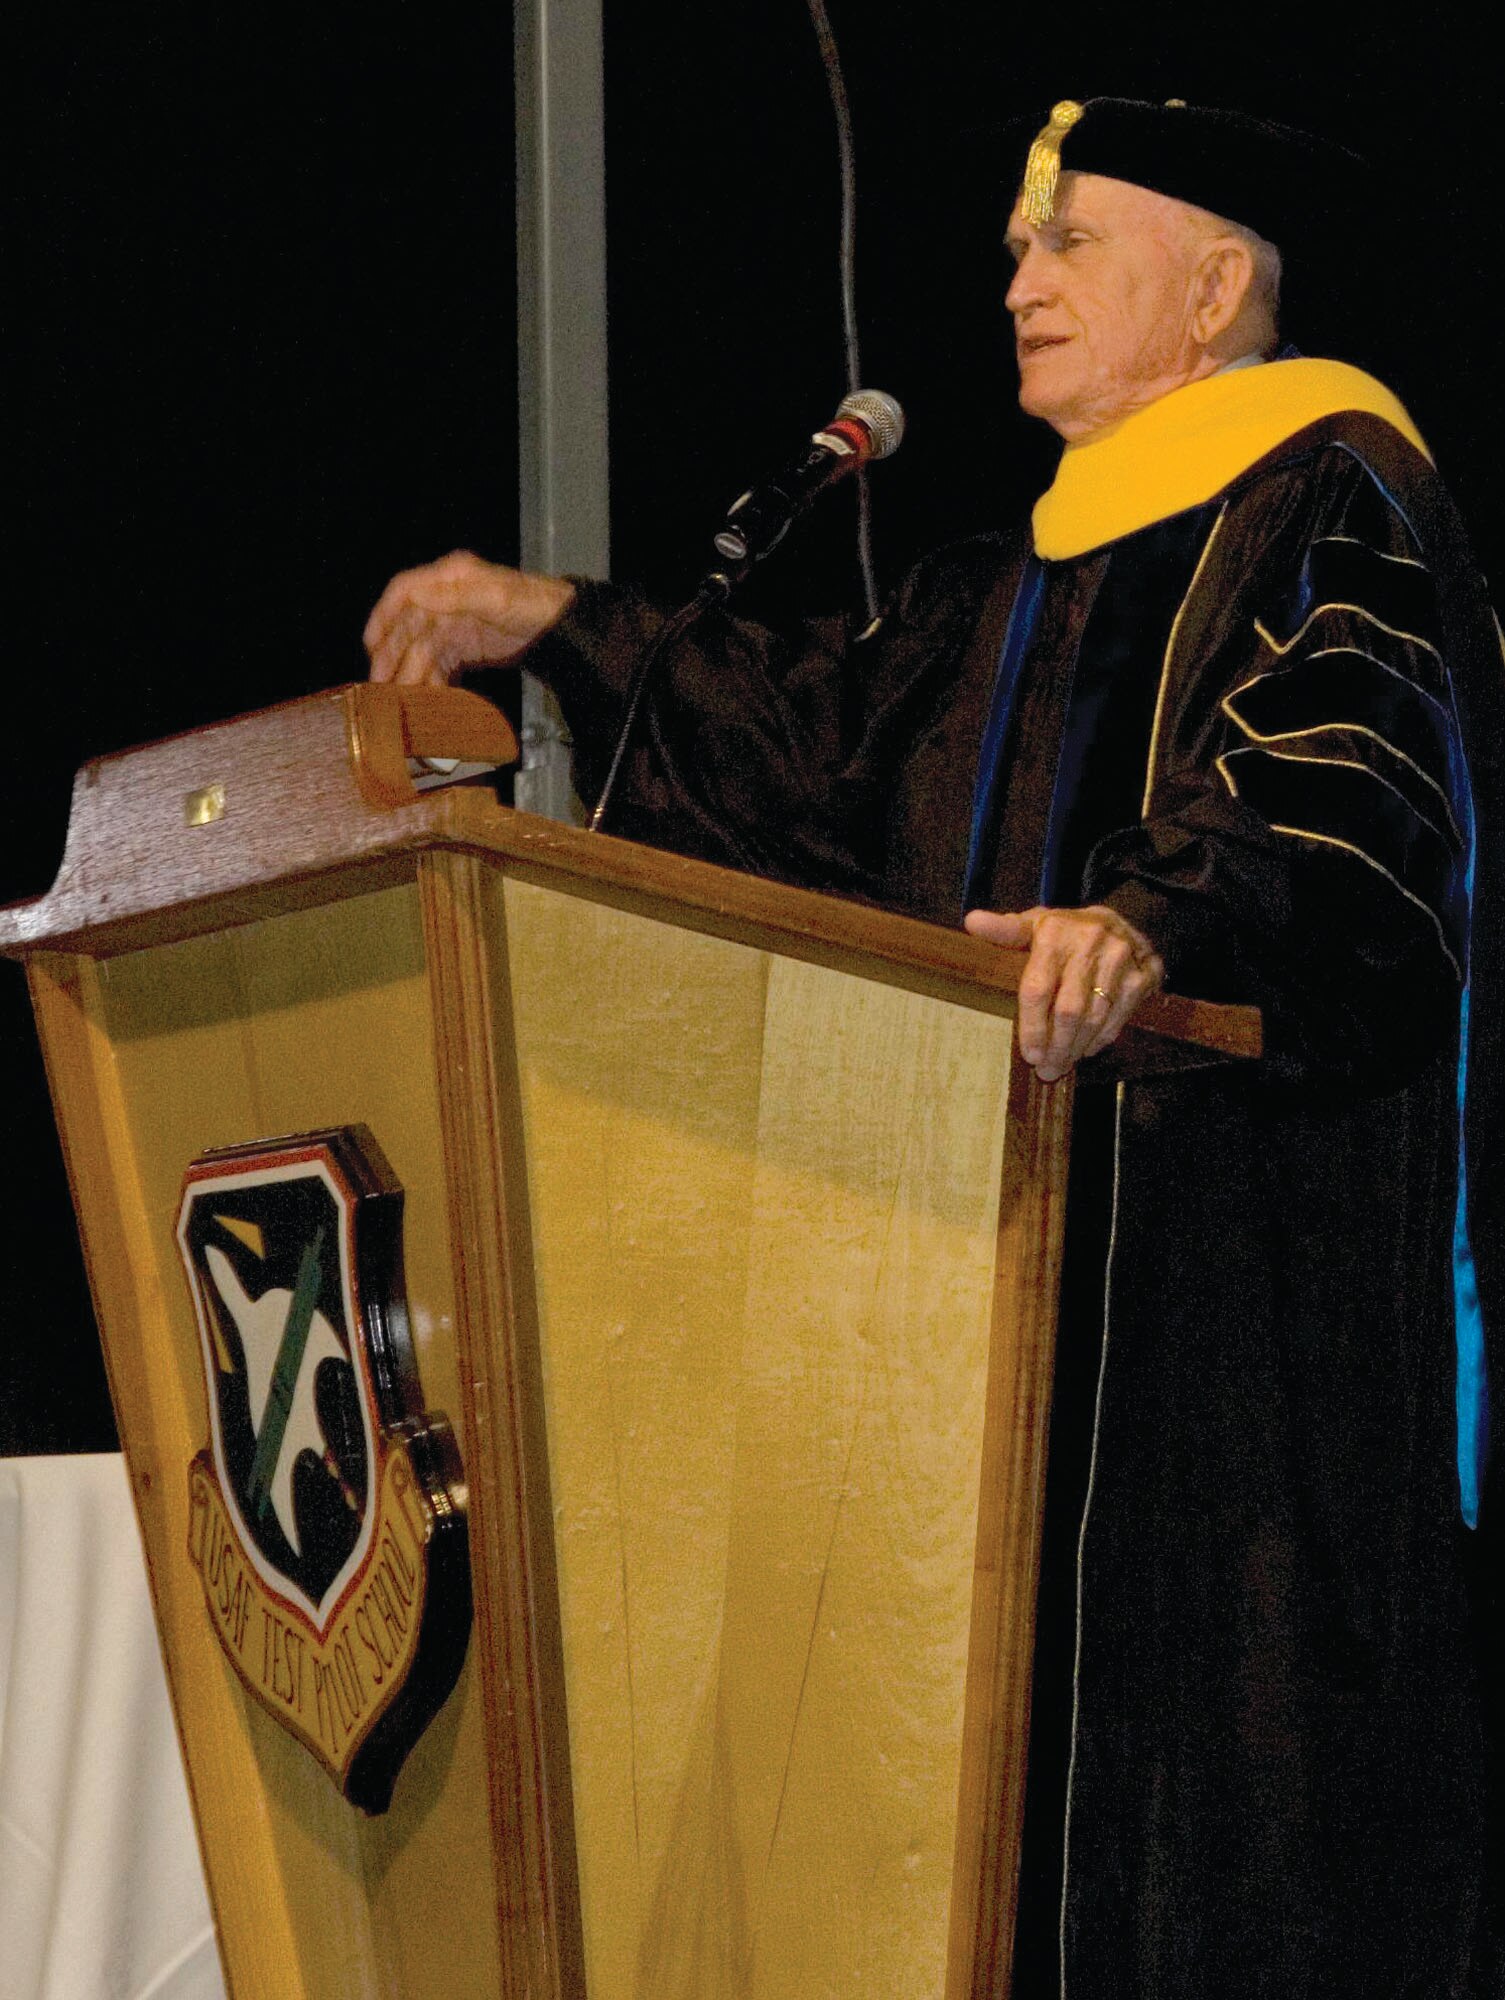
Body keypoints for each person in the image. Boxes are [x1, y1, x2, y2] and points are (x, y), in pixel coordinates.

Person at [366, 96, 1501, 1999]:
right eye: (1010, 251)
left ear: (1217, 288)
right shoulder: (1009, 588)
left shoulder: (1334, 498)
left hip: (1228, 1289)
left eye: (1069, 244)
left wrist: (1152, 918)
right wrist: (559, 619)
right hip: (977, 1305)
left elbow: (1350, 782)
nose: (1015, 282)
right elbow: (811, 743)